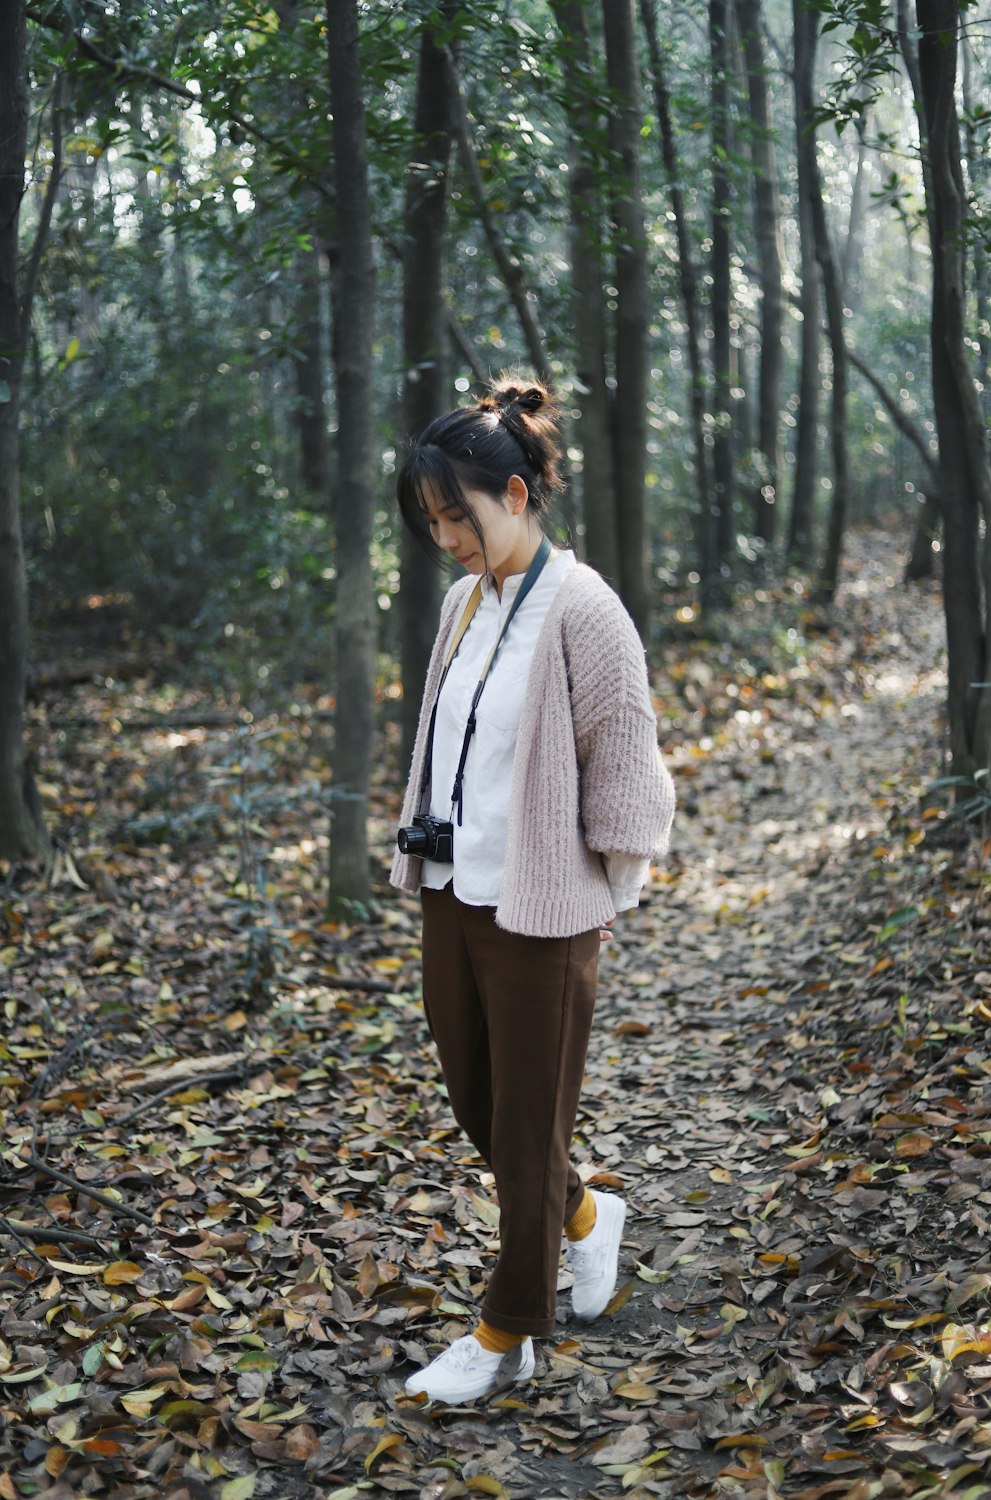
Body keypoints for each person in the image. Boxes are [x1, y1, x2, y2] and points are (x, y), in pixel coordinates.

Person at [390, 374, 674, 1404]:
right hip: (453, 890)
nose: (446, 541)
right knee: (477, 1098)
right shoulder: (466, 604)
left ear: (513, 495)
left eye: (454, 517)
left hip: (544, 906)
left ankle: (508, 1329)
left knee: (521, 1126)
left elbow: (624, 749)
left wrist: (604, 885)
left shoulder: (582, 607)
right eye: (430, 524)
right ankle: (588, 1214)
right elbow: (444, 741)